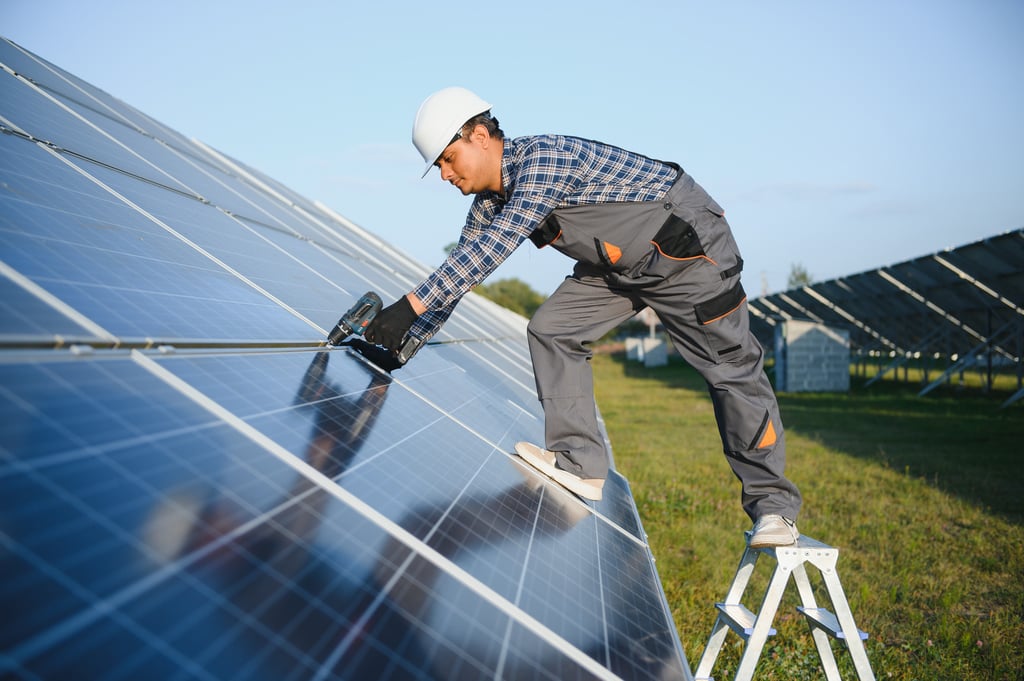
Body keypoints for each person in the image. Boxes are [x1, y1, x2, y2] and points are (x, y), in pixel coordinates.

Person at [364, 87, 802, 547]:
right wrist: (403, 341)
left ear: (479, 135)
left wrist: (407, 305)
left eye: (449, 159)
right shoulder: (489, 203)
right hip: (623, 266)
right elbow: (464, 270)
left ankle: (774, 506)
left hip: (688, 250)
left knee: (731, 372)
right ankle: (579, 463)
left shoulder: (542, 160)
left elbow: (495, 249)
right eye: (439, 167)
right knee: (552, 329)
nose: (445, 175)